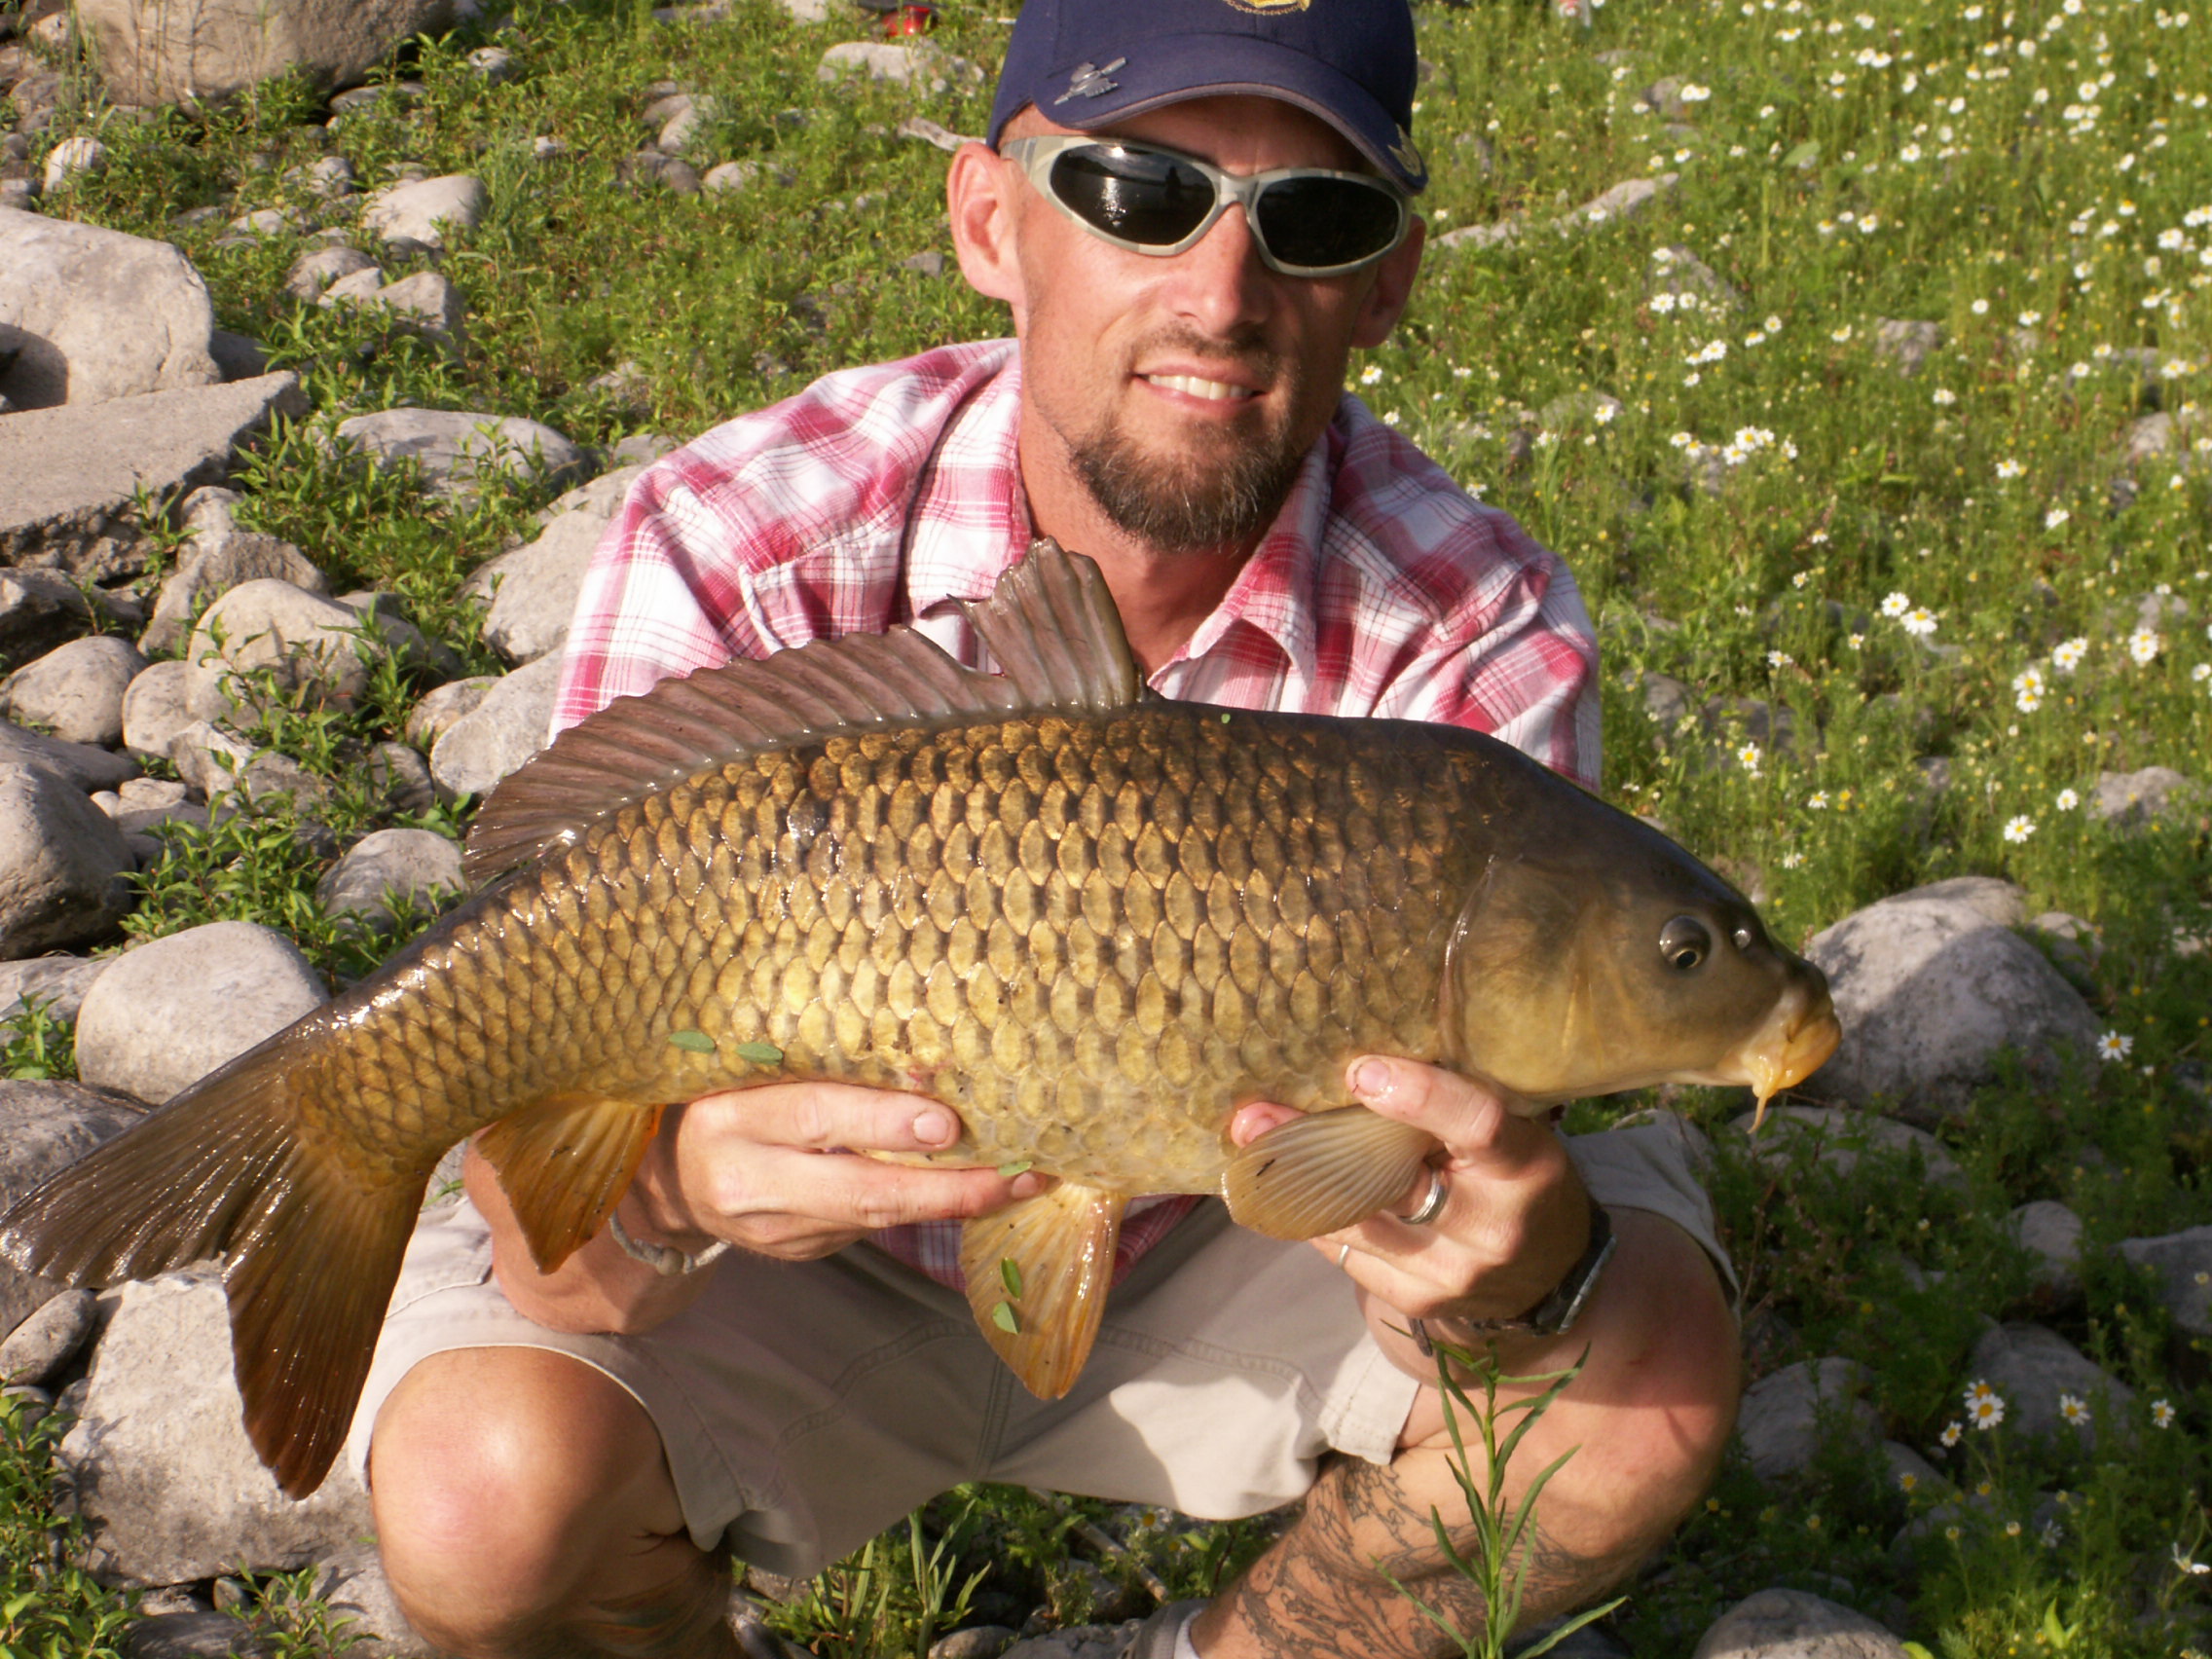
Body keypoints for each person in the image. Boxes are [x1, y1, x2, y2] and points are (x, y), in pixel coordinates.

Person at [351, 0, 1742, 1651]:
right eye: (1139, 194)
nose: (1218, 297)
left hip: (1263, 1239)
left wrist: (1518, 1280)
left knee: (1625, 1391)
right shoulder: (739, 541)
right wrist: (673, 1195)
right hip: (800, 1267)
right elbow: (556, 1259)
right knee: (479, 1500)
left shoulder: (1470, 626)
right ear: (989, 221)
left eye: (1312, 218)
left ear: (1389, 280)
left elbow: (1482, 1250)